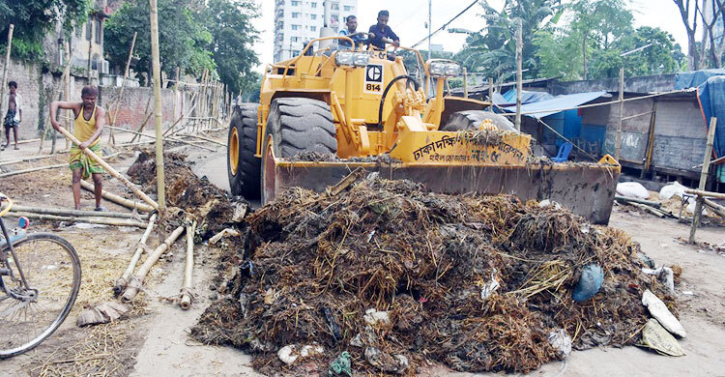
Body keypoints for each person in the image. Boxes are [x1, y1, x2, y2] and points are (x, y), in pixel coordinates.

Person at [50, 86, 107, 211]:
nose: (90, 101)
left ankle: (98, 205)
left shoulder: (99, 111)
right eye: (87, 98)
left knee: (97, 178)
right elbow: (55, 103)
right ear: (82, 98)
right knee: (76, 176)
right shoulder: (77, 107)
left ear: (96, 99)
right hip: (77, 146)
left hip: (94, 146)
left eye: (92, 99)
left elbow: (99, 128)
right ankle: (77, 208)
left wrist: (88, 142)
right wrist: (53, 121)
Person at [3, 81, 22, 150]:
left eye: (13, 88)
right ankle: (8, 142)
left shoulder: (18, 97)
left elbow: (20, 107)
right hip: (8, 113)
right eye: (10, 88)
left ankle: (16, 144)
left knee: (15, 128)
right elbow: (3, 105)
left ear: (15, 88)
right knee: (7, 128)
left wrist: (20, 117)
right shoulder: (6, 96)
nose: (11, 89)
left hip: (15, 113)